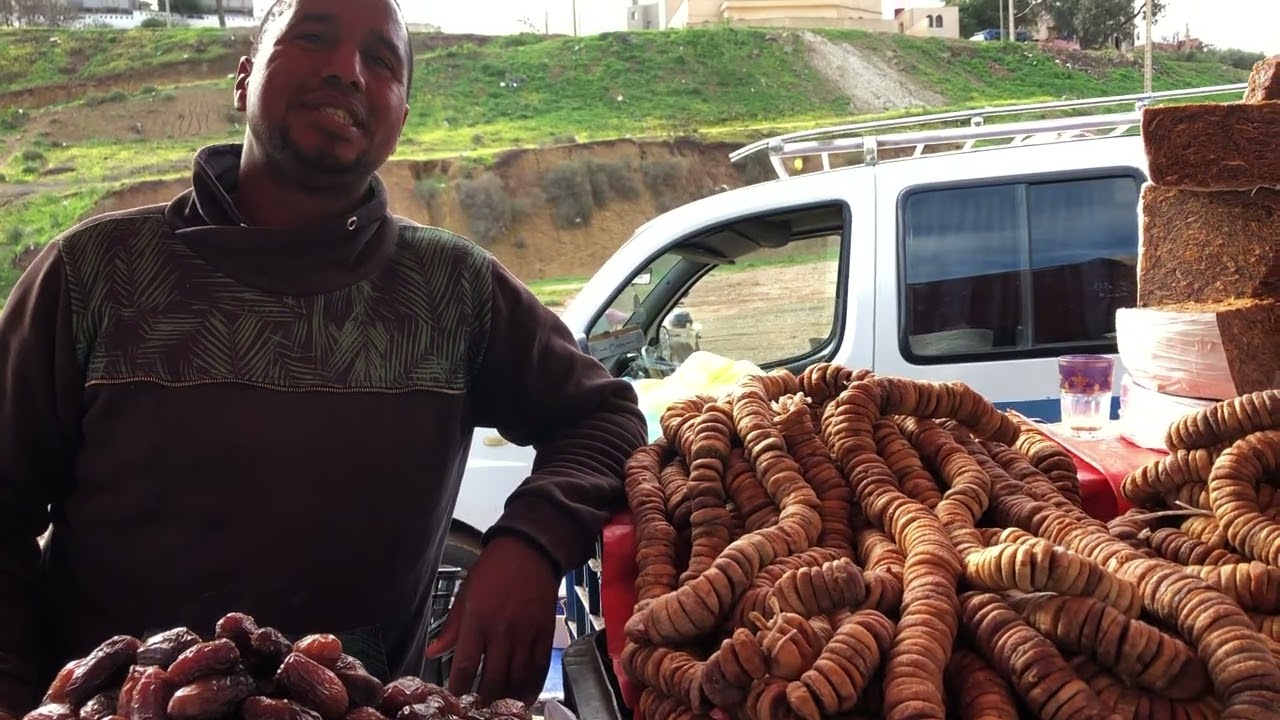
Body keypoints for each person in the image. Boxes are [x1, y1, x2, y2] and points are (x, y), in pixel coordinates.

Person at [0, 0, 647, 715]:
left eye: (382, 61)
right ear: (243, 80)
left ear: (399, 118)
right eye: (313, 38)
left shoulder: (453, 289)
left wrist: (530, 543)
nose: (347, 71)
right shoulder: (93, 273)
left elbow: (604, 417)